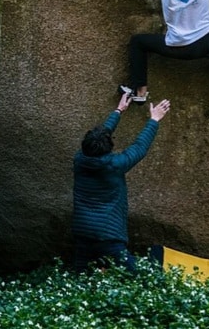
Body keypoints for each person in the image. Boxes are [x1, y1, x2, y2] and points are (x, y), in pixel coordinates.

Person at [72, 92, 170, 271]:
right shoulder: (115, 165)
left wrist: (119, 110)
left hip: (83, 232)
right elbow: (139, 147)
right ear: (108, 147)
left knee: (81, 276)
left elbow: (98, 137)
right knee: (139, 274)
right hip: (108, 235)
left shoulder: (79, 160)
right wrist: (154, 119)